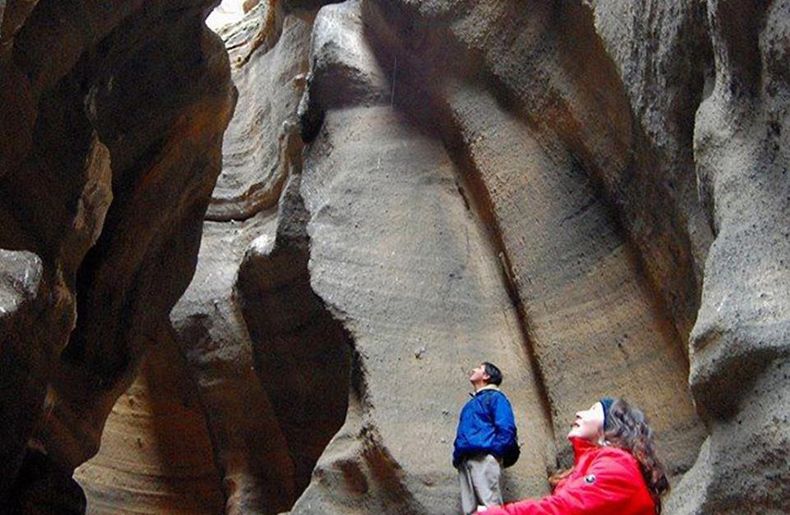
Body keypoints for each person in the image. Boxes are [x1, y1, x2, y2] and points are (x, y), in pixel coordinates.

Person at [477, 397, 669, 515]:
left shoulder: (619, 465)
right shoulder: (592, 466)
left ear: (611, 424)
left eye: (593, 409)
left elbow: (567, 508)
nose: (579, 413)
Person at [453, 362, 518, 515]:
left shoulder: (496, 398)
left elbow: (507, 428)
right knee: (470, 511)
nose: (474, 369)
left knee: (490, 507)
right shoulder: (472, 403)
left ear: (487, 376)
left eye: (479, 368)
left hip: (484, 457)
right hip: (466, 459)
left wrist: (493, 452)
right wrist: (458, 457)